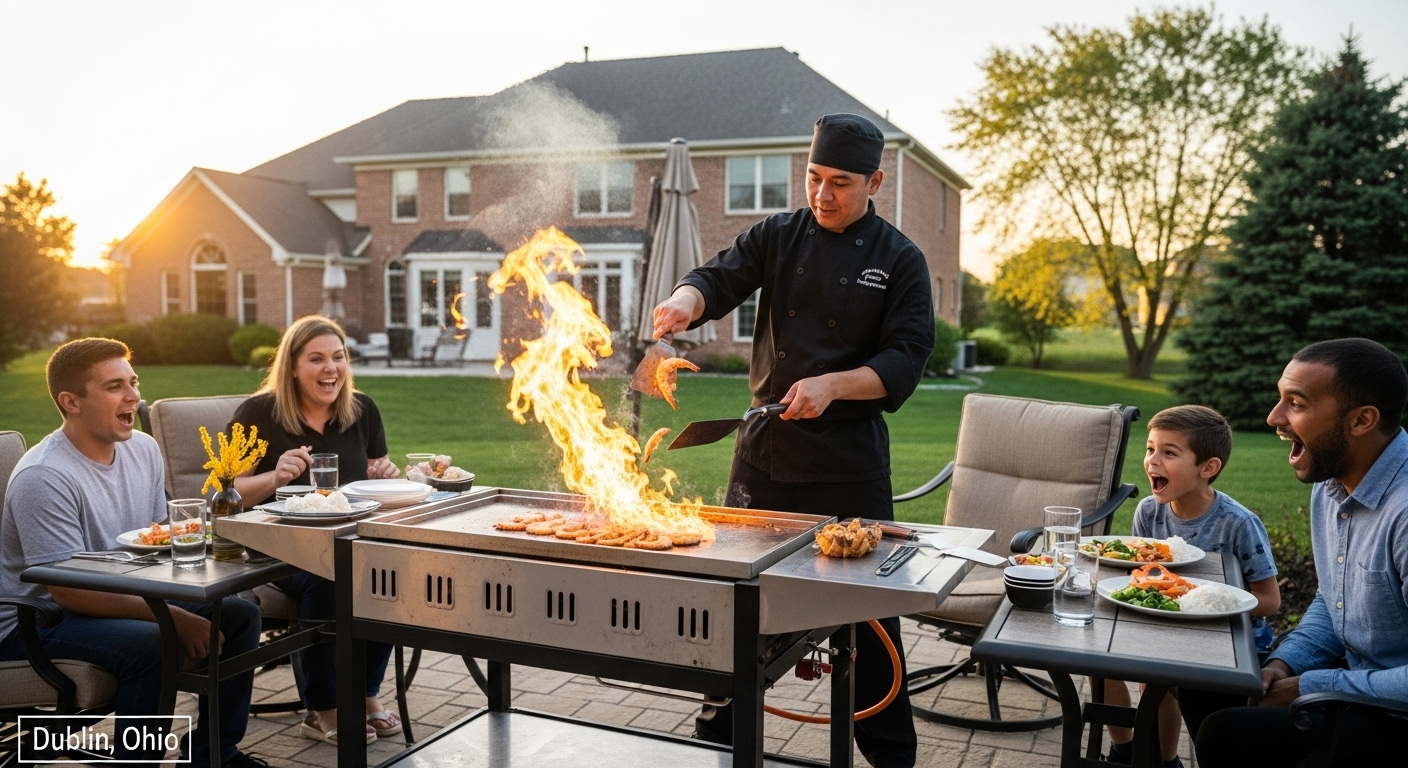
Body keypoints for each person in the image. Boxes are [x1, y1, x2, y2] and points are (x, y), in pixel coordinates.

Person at [654, 113, 934, 768]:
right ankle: (719, 739)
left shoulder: (899, 258)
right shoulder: (780, 235)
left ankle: (891, 755)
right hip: (764, 458)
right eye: (813, 178)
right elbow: (719, 276)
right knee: (737, 605)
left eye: (839, 182)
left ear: (875, 182)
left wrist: (834, 385)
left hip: (849, 465)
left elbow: (906, 358)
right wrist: (682, 303)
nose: (822, 194)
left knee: (869, 617)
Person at [0, 338, 264, 767]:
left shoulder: (141, 448)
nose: (134, 396)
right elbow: (66, 591)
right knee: (153, 641)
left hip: (118, 591)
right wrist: (176, 617)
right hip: (35, 621)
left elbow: (156, 536)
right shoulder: (44, 476)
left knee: (237, 614)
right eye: (114, 386)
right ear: (71, 402)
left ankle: (215, 754)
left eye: (133, 382)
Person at [1195, 338, 1408, 766]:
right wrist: (1284, 665)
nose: (1274, 417)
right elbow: (1335, 600)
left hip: (1395, 718)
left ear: (1362, 420)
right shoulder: (1331, 487)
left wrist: (1314, 684)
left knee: (1229, 734)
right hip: (1358, 692)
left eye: (1296, 403)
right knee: (1204, 682)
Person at [229, 316, 401, 745]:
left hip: (343, 535)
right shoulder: (258, 414)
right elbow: (225, 494)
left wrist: (383, 474)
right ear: (291, 366)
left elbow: (370, 475)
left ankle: (363, 692)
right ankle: (322, 707)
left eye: (338, 358)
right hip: (272, 542)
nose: (332, 369)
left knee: (390, 568)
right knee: (332, 573)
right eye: (317, 359)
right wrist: (273, 477)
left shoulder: (361, 409)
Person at [1100, 405, 1280, 767]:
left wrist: (1204, 595)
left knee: (1156, 678)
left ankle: (1164, 761)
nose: (1153, 460)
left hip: (1227, 638)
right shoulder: (1149, 512)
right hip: (1164, 621)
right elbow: (1142, 574)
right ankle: (1125, 750)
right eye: (1150, 449)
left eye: (1169, 453)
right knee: (1099, 661)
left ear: (1208, 468)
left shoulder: (1238, 523)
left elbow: (1270, 601)